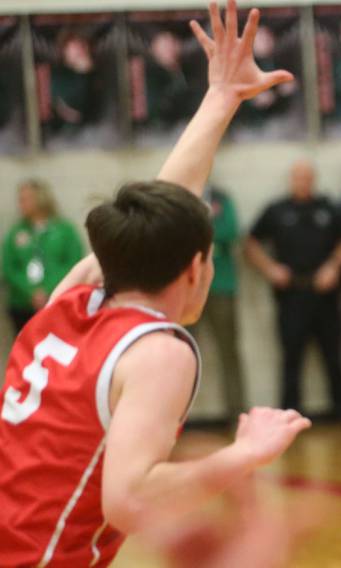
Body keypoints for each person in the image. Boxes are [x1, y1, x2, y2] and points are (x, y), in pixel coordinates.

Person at [0, 3, 311, 565]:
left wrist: (221, 97)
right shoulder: (157, 353)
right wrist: (244, 455)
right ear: (196, 269)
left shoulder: (76, 297)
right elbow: (129, 499)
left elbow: (164, 202)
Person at [245, 160, 341, 417]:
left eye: (307, 178)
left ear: (313, 180)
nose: (302, 182)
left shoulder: (328, 208)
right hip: (291, 295)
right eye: (297, 178)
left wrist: (333, 267)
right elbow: (250, 243)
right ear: (290, 180)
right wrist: (270, 268)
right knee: (291, 357)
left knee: (334, 354)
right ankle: (289, 414)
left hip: (325, 294)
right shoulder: (277, 210)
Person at [189, 185, 246, 426]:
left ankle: (237, 413)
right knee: (184, 353)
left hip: (222, 287)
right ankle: (176, 415)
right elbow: (176, 235)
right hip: (188, 289)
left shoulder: (222, 198)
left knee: (229, 351)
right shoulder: (181, 198)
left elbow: (231, 232)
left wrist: (200, 237)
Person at [2, 179, 84, 333]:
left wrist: (48, 290)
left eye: (26, 199)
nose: (21, 204)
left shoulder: (65, 230)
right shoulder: (16, 232)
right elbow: (9, 268)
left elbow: (74, 263)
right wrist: (31, 292)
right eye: (20, 200)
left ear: (41, 198)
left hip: (57, 301)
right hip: (22, 305)